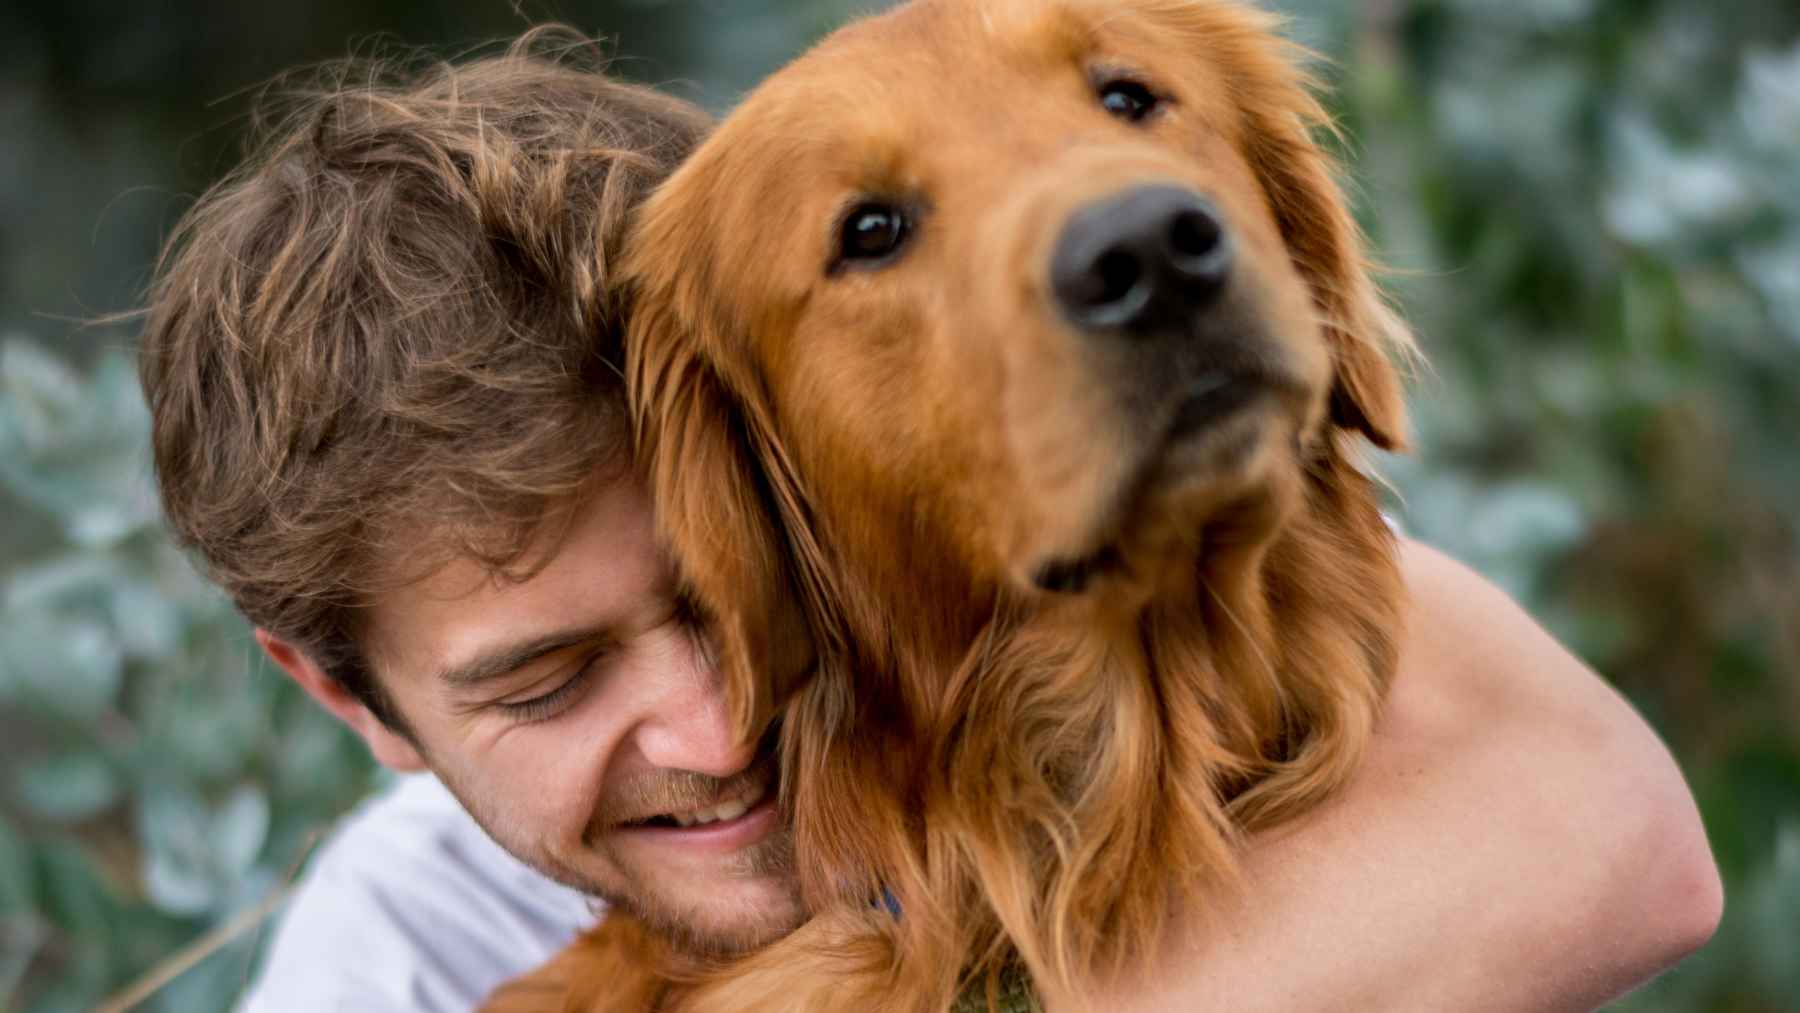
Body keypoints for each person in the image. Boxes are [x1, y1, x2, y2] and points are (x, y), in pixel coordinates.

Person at [136, 32, 1721, 1013]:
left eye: (737, 582)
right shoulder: (399, 952)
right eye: (546, 682)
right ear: (347, 695)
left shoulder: (1180, 597)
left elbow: (1627, 843)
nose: (724, 713)